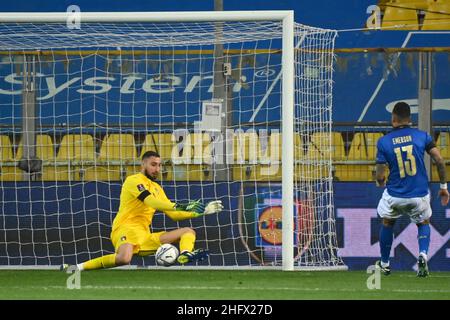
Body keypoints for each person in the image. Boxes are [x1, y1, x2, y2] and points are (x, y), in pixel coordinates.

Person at [62, 150, 223, 271]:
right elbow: (150, 201)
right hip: (125, 228)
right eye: (153, 165)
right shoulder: (133, 181)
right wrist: (180, 205)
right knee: (124, 259)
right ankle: (77, 267)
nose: (157, 169)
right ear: (143, 164)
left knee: (188, 231)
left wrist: (201, 211)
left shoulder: (157, 188)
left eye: (159, 165)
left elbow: (174, 215)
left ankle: (185, 254)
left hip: (144, 235)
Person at [375, 101, 449, 277]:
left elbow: (379, 176)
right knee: (423, 222)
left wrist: (381, 181)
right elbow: (439, 160)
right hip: (419, 195)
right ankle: (423, 254)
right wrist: (444, 187)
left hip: (395, 195)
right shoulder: (422, 136)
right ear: (409, 119)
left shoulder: (384, 142)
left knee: (387, 221)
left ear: (393, 118)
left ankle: (385, 263)